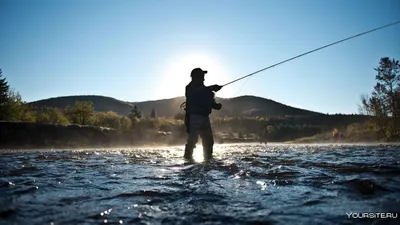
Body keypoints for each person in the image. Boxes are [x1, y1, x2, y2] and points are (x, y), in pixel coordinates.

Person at [183, 68, 223, 160]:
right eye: (202, 76)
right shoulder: (189, 88)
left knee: (209, 142)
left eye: (203, 77)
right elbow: (195, 93)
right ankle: (187, 160)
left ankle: (208, 160)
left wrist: (217, 106)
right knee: (192, 141)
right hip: (193, 118)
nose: (204, 79)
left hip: (205, 119)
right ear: (195, 77)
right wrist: (211, 88)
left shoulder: (206, 90)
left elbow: (212, 103)